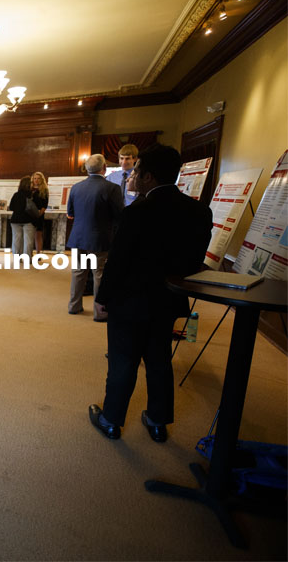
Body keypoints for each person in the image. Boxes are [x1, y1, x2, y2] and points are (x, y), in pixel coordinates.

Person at [89, 144, 212, 441]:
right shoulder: (199, 211)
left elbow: (118, 262)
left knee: (123, 360)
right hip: (168, 299)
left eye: (137, 170)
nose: (133, 175)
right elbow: (194, 262)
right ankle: (157, 421)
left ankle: (110, 420)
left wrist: (102, 298)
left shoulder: (137, 213)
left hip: (129, 301)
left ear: (149, 177)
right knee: (159, 360)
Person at [66, 154, 124, 320]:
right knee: (99, 274)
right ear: (104, 167)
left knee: (78, 272)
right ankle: (100, 313)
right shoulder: (112, 188)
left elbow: (71, 213)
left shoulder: (76, 187)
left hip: (78, 237)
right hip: (100, 239)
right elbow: (119, 215)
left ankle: (74, 306)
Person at [8, 176, 36, 256]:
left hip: (15, 220)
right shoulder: (32, 195)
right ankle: (27, 258)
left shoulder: (16, 194)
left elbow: (11, 207)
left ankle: (17, 257)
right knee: (28, 241)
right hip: (28, 220)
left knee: (16, 240)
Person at [30, 171, 49, 253]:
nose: (36, 180)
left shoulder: (44, 190)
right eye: (34, 178)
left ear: (41, 180)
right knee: (29, 235)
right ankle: (28, 253)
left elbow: (45, 204)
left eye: (38, 178)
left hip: (39, 215)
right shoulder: (29, 189)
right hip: (29, 215)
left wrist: (39, 214)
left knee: (38, 235)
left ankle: (38, 253)